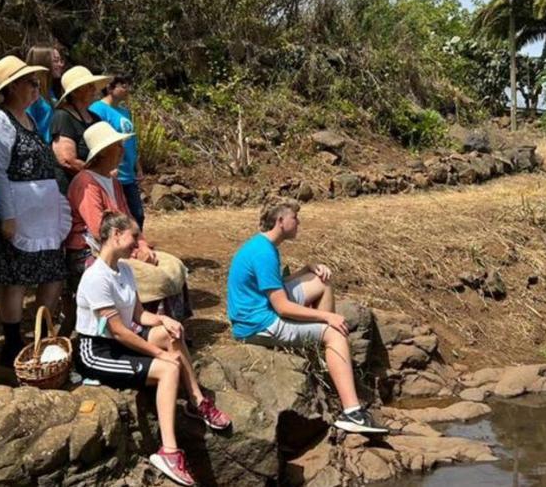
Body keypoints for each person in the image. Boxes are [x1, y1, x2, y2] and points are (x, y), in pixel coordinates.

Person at [76, 212, 230, 487]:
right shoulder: (95, 277)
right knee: (169, 367)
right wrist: (159, 355)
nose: (138, 243)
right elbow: (118, 331)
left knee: (172, 333)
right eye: (134, 236)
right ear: (116, 236)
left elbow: (137, 316)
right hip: (98, 351)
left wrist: (163, 319)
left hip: (121, 340)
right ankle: (169, 451)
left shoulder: (123, 269)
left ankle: (197, 400)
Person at [226, 199, 388, 435]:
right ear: (281, 221)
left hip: (258, 311)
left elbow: (273, 286)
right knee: (334, 333)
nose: (299, 222)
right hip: (258, 324)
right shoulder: (264, 253)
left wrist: (306, 269)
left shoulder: (263, 245)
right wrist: (326, 317)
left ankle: (329, 358)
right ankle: (352, 413)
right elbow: (282, 308)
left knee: (321, 281)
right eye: (295, 218)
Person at [0, 55, 72, 366]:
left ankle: (44, 335)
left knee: (51, 273)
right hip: (19, 214)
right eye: (31, 83)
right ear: (13, 87)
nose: (36, 88)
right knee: (16, 279)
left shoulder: (30, 120)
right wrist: (7, 216)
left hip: (43, 214)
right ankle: (12, 341)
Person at [64, 122, 191, 334]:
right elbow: (99, 231)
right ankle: (144, 330)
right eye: (117, 146)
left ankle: (172, 327)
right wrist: (132, 252)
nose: (122, 151)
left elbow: (128, 218)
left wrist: (142, 245)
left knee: (173, 266)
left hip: (122, 245)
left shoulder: (112, 182)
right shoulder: (85, 182)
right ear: (104, 153)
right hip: (92, 251)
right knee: (153, 276)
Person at [89, 75, 145, 229]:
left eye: (129, 85)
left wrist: (137, 166)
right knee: (118, 216)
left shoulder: (124, 112)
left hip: (129, 172)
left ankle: (135, 248)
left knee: (137, 215)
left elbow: (132, 141)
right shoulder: (97, 109)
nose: (127, 89)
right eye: (123, 85)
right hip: (113, 172)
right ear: (110, 88)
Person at [50, 66, 110, 184]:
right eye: (88, 86)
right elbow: (67, 160)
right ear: (75, 92)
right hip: (74, 188)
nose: (93, 89)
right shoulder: (63, 117)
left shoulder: (95, 118)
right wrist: (98, 175)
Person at [24, 45, 65, 144]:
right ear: (43, 63)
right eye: (55, 61)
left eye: (60, 60)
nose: (60, 65)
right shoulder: (31, 96)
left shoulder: (51, 92)